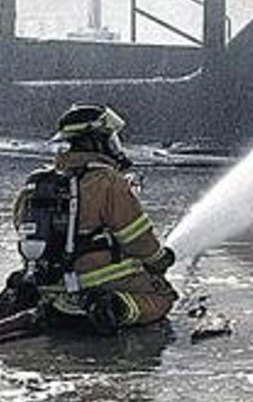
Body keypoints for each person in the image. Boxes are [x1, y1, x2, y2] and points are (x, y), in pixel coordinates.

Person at [2, 104, 177, 335]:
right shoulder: (108, 181)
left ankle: (33, 303)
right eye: (110, 138)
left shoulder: (38, 182)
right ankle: (114, 307)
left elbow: (21, 224)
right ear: (96, 141)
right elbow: (137, 239)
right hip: (96, 282)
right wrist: (160, 259)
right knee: (162, 295)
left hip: (49, 283)